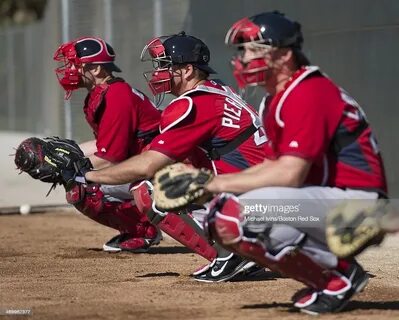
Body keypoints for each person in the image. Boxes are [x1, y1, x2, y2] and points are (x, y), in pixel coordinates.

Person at [199, 11, 387, 314]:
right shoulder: (276, 98)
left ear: (284, 55)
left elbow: (290, 174)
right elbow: (274, 166)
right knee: (220, 219)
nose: (244, 58)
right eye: (242, 50)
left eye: (254, 50)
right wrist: (212, 184)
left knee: (233, 214)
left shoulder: (309, 90)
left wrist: (216, 183)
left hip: (359, 205)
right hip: (327, 199)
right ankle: (331, 278)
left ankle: (339, 275)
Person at [76, 32, 268, 282]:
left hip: (256, 204)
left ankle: (231, 256)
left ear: (187, 70)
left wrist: (86, 175)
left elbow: (148, 165)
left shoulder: (190, 105)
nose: (157, 74)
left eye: (165, 66)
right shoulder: (217, 90)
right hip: (266, 193)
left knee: (150, 189)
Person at [53, 36, 162, 252]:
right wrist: (66, 155)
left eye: (76, 65)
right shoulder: (102, 94)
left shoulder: (116, 95)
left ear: (96, 70)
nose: (70, 70)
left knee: (83, 188)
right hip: (147, 165)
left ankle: (144, 230)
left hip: (164, 170)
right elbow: (105, 144)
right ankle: (138, 227)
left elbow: (111, 156)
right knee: (80, 177)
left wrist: (70, 169)